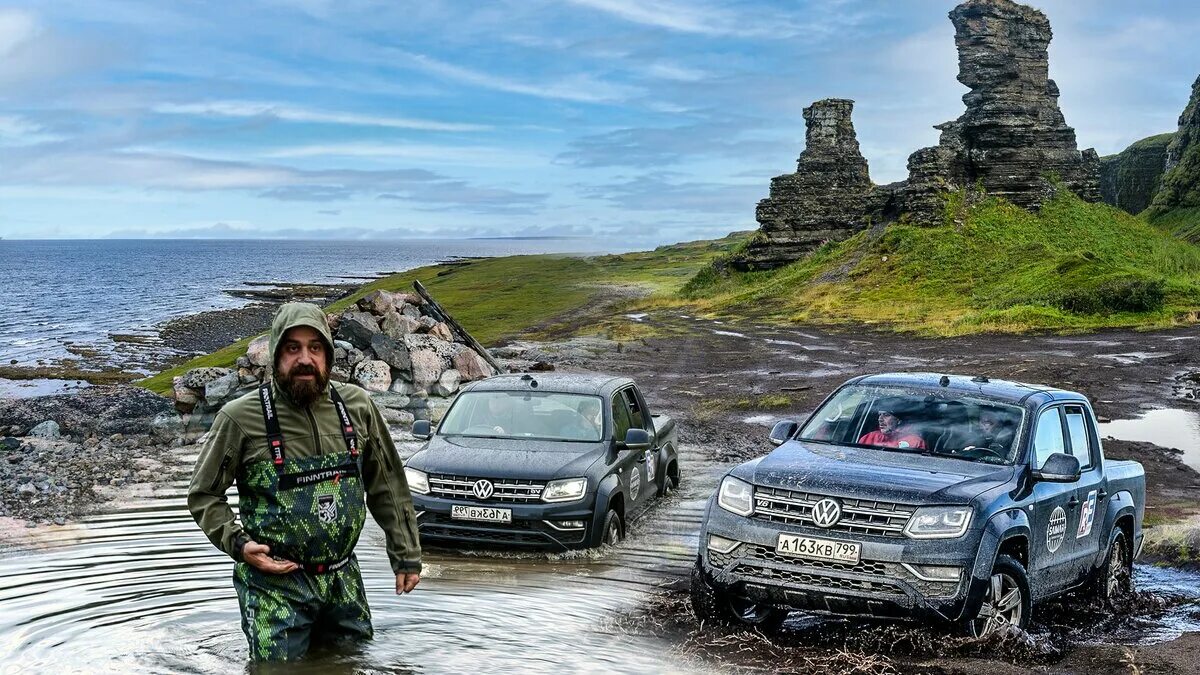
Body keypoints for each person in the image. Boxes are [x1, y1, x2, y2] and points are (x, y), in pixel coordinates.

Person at [188, 302, 422, 662]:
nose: (305, 359)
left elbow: (387, 483)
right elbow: (204, 495)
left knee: (353, 666)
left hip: (343, 580)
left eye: (315, 348)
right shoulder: (239, 418)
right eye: (292, 348)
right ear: (275, 355)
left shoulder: (357, 406)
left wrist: (406, 555)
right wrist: (239, 545)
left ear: (327, 355)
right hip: (274, 586)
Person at [858, 407, 927, 450]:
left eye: (886, 415)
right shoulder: (868, 438)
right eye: (879, 415)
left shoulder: (915, 442)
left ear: (898, 420)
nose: (880, 419)